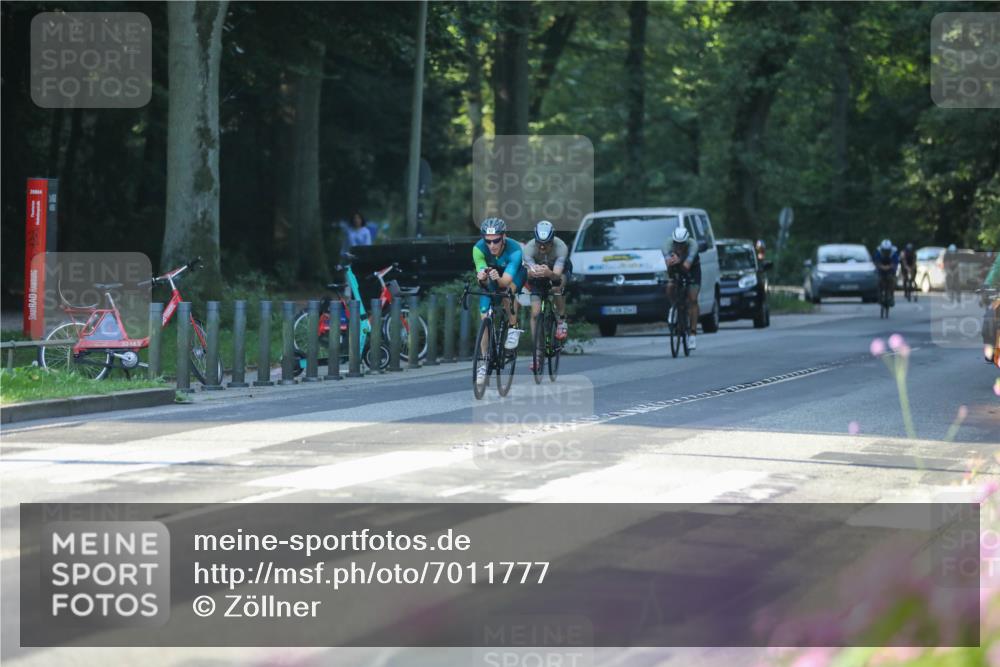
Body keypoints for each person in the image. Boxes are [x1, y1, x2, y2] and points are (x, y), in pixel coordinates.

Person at [472, 217, 525, 385]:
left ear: (504, 237)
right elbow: (482, 277)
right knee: (483, 314)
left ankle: (513, 327)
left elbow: (505, 282)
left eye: (496, 241)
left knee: (506, 294)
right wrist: (482, 277)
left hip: (513, 275)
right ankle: (485, 360)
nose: (492, 245)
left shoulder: (515, 249)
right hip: (493, 275)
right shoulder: (478, 249)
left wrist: (497, 279)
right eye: (488, 241)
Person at [522, 221, 569, 371]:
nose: (542, 247)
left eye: (546, 244)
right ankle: (537, 355)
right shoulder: (529, 248)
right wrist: (533, 271)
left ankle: (561, 320)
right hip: (537, 275)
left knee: (556, 287)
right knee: (535, 314)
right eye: (539, 243)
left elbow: (556, 275)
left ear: (552, 240)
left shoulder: (561, 247)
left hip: (556, 272)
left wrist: (549, 273)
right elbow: (528, 272)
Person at [664, 226, 701, 350]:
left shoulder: (693, 245)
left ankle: (692, 335)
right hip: (677, 266)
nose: (679, 247)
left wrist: (679, 260)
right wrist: (670, 263)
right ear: (673, 241)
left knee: (693, 299)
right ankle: (673, 307)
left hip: (692, 269)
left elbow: (686, 267)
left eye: (682, 244)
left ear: (687, 242)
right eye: (676, 244)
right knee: (670, 286)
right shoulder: (667, 245)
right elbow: (669, 269)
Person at [872, 239, 899, 307]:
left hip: (890, 269)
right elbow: (876, 262)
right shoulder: (878, 252)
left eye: (887, 250)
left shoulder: (893, 252)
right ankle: (879, 296)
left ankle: (891, 296)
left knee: (892, 280)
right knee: (879, 281)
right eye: (884, 250)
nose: (886, 252)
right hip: (881, 269)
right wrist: (881, 267)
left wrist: (890, 267)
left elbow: (895, 263)